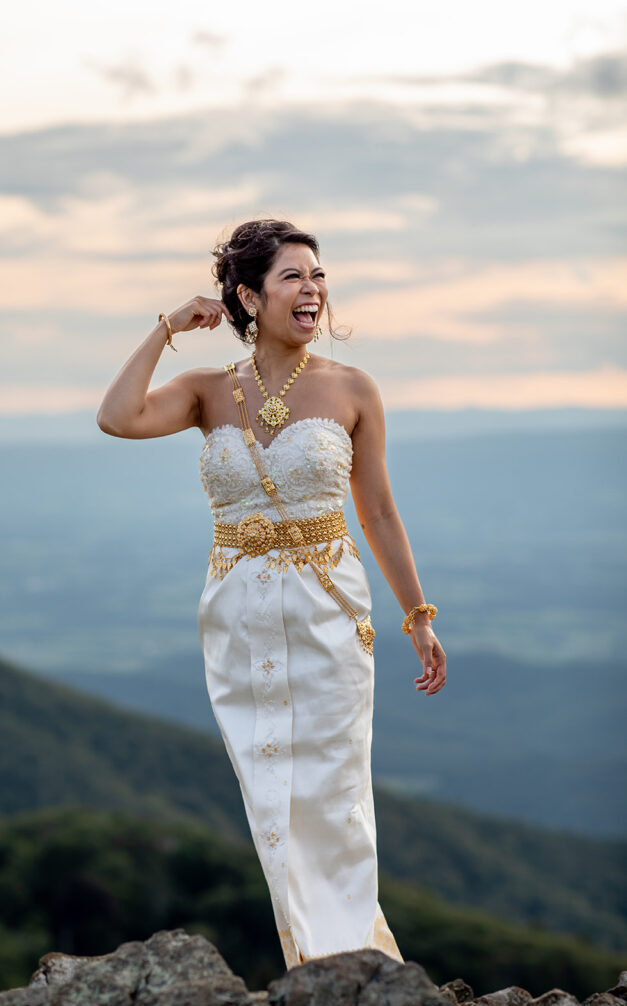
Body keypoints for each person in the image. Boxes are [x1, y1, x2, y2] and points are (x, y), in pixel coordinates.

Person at [97, 218, 447, 968]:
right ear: (248, 298)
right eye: (293, 276)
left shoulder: (352, 388)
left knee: (334, 793)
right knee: (271, 798)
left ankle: (352, 966)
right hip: (236, 616)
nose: (312, 289)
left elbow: (378, 509)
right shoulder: (204, 391)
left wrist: (416, 615)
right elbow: (116, 417)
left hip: (329, 606)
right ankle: (316, 964)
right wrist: (165, 328)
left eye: (317, 275)